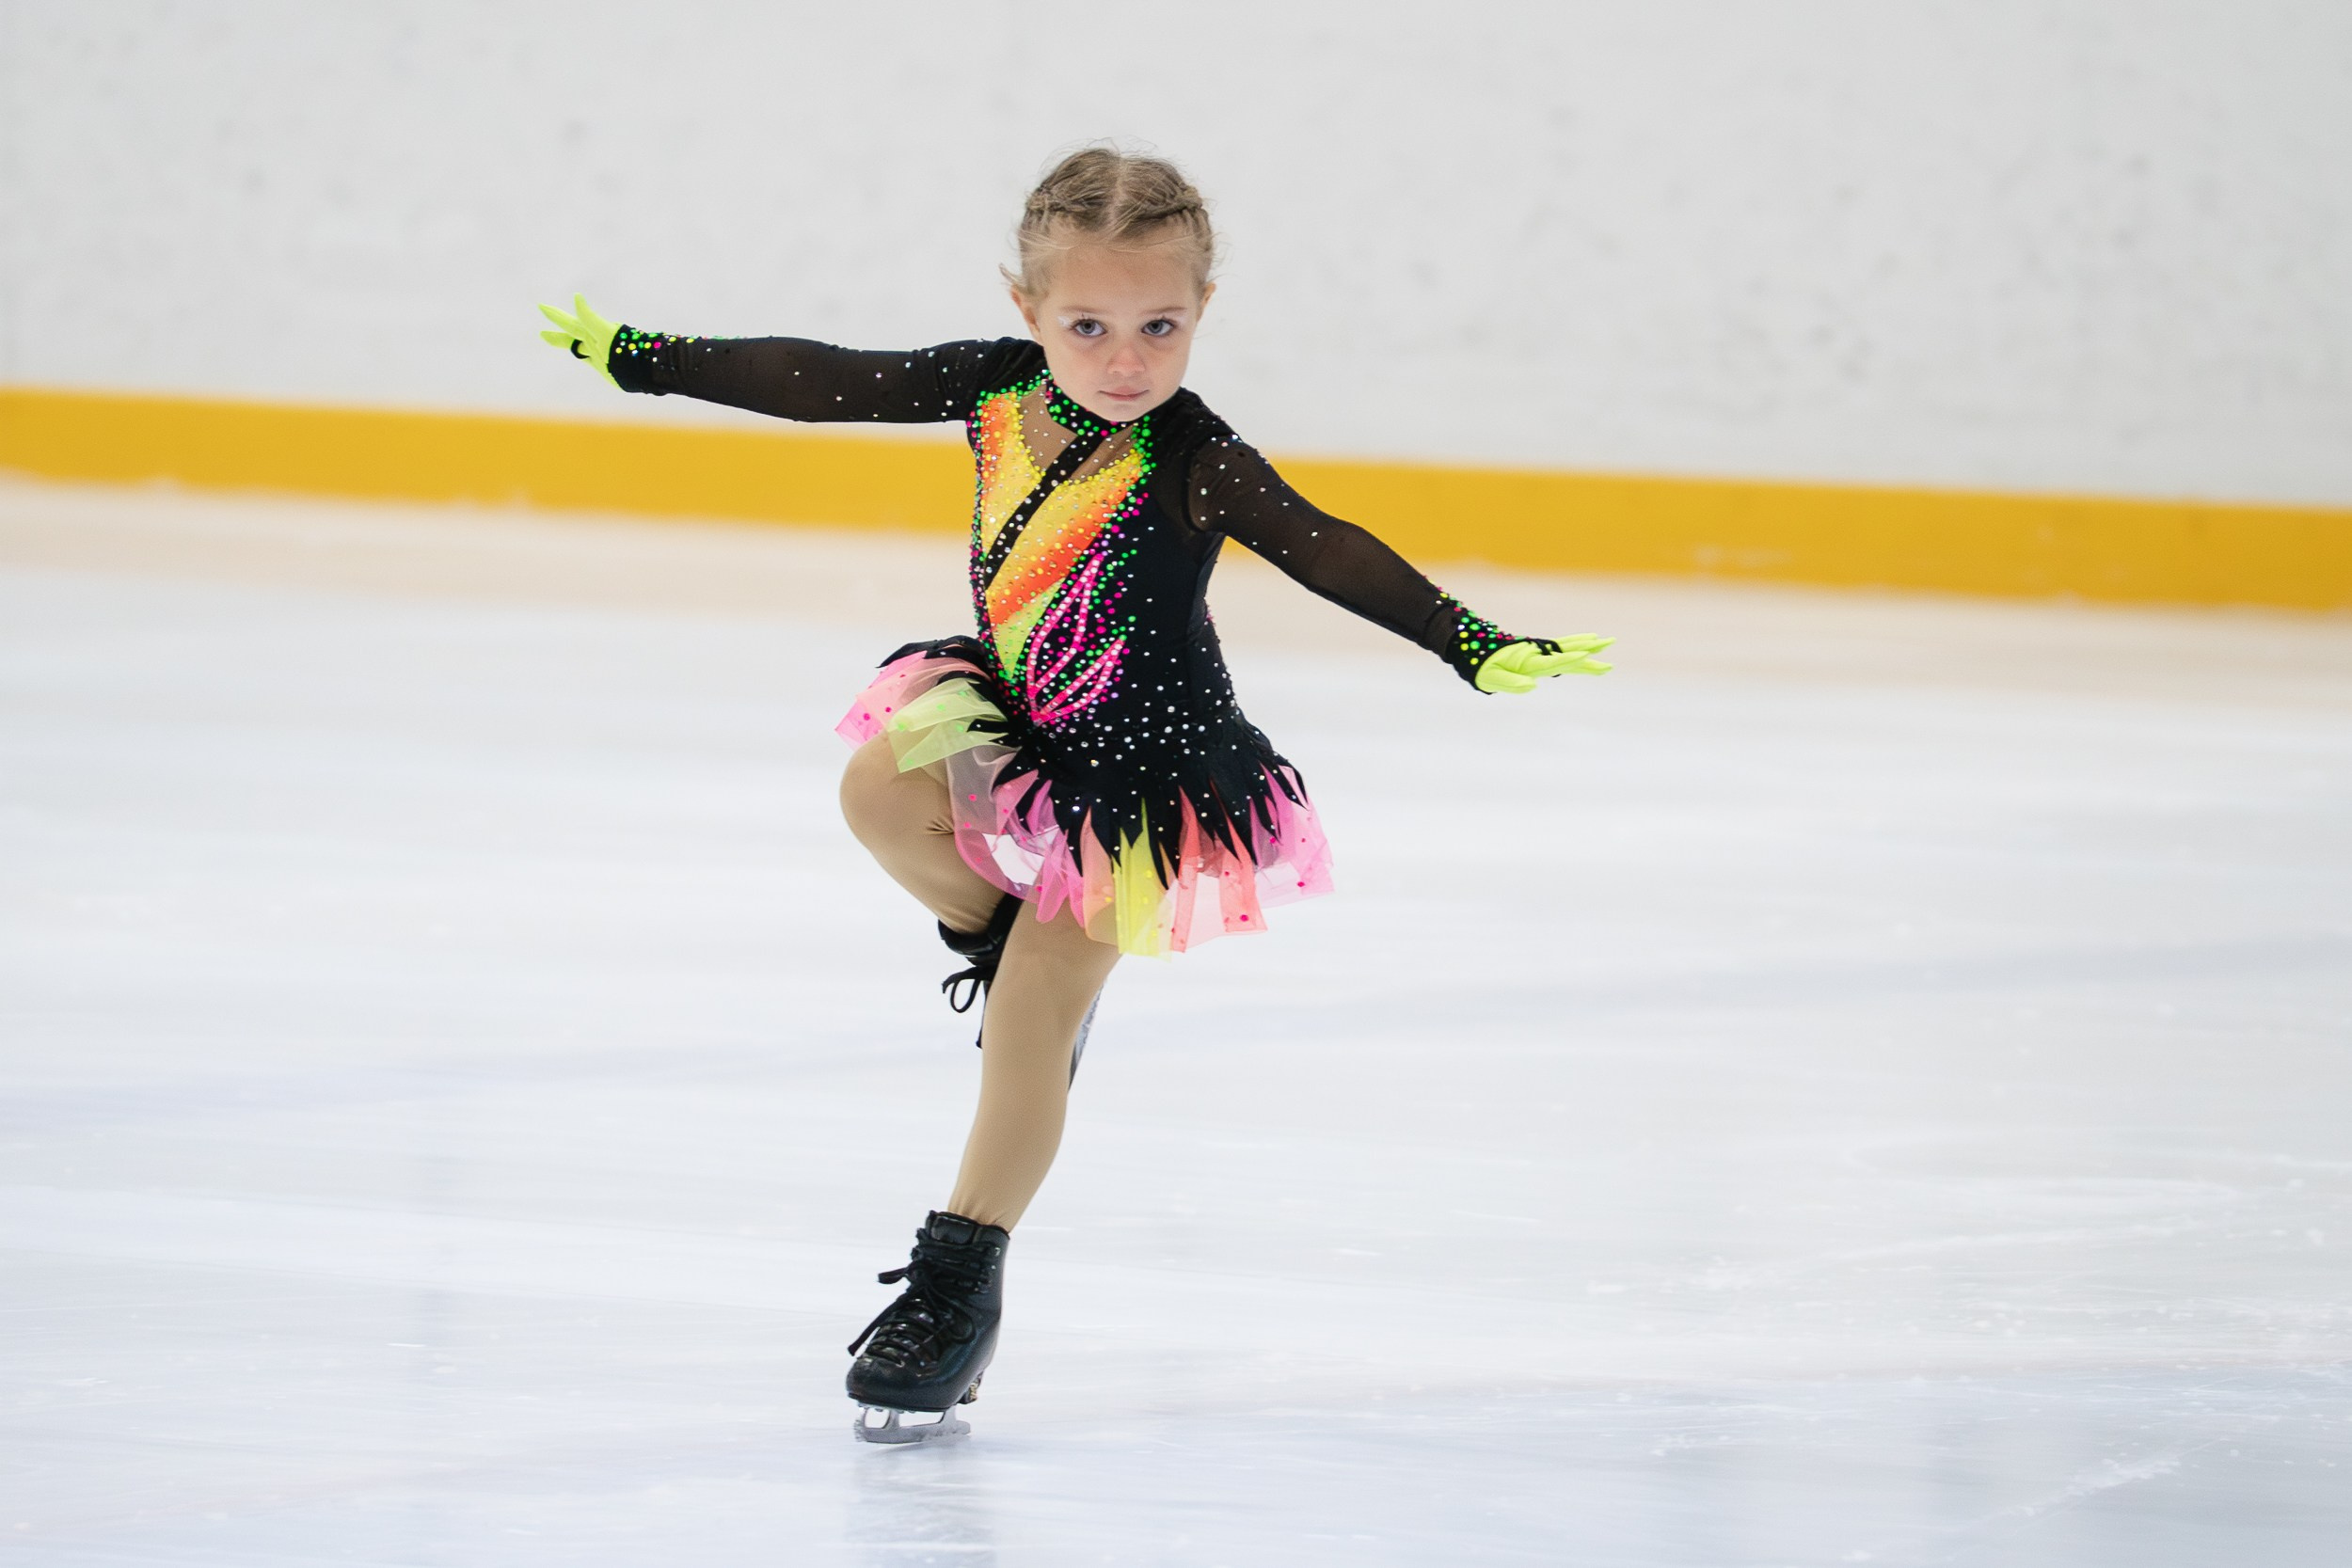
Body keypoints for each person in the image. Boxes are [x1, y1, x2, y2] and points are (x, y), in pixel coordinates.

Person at [539, 146, 1612, 1445]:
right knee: (878, 789)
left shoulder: (1194, 456)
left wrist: (1465, 637)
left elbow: (1322, 543)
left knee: (1037, 1016)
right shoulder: (991, 387)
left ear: (1203, 310)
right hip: (1022, 710)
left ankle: (957, 1292)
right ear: (1026, 307)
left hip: (1149, 782)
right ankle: (993, 932)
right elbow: (823, 378)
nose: (1123, 360)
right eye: (1087, 326)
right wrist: (647, 357)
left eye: (1159, 326)